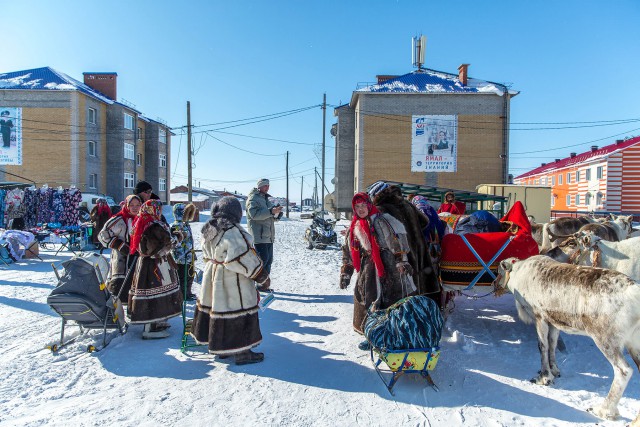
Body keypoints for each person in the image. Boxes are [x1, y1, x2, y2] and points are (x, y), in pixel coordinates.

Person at [191, 197, 269, 364]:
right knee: (237, 309)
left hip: (212, 274)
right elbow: (241, 258)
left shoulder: (210, 229)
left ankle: (223, 348)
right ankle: (243, 352)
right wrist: (261, 275)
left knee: (218, 310)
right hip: (232, 279)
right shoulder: (233, 231)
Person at [340, 192, 415, 350]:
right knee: (370, 302)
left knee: (392, 303)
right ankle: (373, 336)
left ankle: (395, 336)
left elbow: (399, 242)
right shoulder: (354, 226)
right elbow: (348, 250)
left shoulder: (384, 220)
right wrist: (346, 271)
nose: (361, 209)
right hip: (368, 269)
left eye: (363, 205)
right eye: (357, 206)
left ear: (369, 204)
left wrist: (401, 261)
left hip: (389, 267)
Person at [128, 199, 183, 339]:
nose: (159, 211)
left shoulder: (143, 221)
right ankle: (150, 328)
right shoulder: (153, 226)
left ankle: (157, 321)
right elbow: (157, 249)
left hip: (146, 265)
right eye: (157, 208)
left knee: (153, 292)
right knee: (153, 293)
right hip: (155, 266)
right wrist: (177, 238)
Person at [98, 195, 142, 304]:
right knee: (120, 287)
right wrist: (118, 244)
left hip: (138, 257)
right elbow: (102, 235)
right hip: (121, 257)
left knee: (137, 285)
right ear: (126, 205)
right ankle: (116, 311)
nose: (135, 208)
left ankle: (134, 309)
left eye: (137, 205)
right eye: (131, 205)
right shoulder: (118, 220)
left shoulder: (143, 220)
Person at [246, 178, 283, 289]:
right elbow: (254, 215)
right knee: (262, 261)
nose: (267, 187)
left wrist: (277, 214)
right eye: (265, 185)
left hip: (268, 236)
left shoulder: (265, 199)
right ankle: (255, 284)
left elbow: (269, 216)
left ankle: (263, 285)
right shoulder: (253, 199)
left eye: (268, 185)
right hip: (259, 236)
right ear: (259, 186)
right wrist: (271, 211)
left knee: (268, 260)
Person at [170, 203, 197, 301]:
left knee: (190, 275)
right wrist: (182, 253)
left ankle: (188, 292)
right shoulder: (176, 226)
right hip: (181, 257)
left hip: (189, 255)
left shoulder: (185, 224)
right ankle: (182, 294)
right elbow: (175, 242)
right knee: (182, 276)